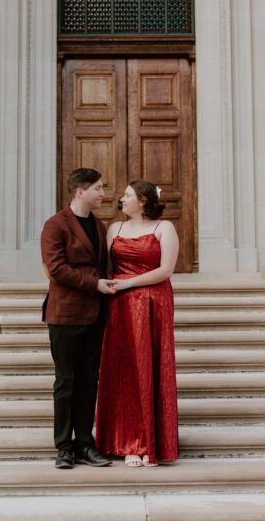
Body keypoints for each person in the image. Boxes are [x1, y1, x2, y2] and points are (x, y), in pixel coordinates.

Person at [95, 180, 179, 467]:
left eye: (128, 195)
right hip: (119, 306)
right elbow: (106, 268)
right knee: (124, 371)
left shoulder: (164, 228)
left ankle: (149, 442)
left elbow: (166, 270)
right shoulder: (113, 230)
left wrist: (127, 283)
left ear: (143, 200)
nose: (122, 198)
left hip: (153, 303)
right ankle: (127, 440)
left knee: (149, 367)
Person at [40, 167, 117, 469]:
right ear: (80, 191)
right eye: (98, 188)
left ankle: (85, 442)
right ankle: (64, 447)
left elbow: (103, 267)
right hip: (65, 315)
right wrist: (95, 284)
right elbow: (56, 269)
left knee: (89, 381)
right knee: (66, 382)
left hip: (95, 315)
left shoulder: (99, 226)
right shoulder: (55, 225)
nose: (103, 193)